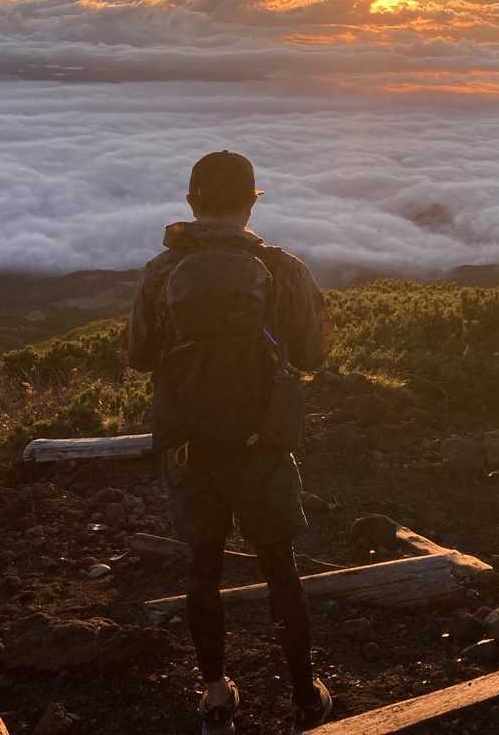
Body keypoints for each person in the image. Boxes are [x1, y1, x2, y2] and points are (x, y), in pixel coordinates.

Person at [125, 150, 335, 733]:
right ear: (250, 203)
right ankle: (305, 696)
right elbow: (313, 354)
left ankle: (216, 696)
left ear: (192, 202)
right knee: (280, 567)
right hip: (263, 443)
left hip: (190, 447)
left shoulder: (161, 271)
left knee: (203, 567)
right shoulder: (283, 268)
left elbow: (138, 357)